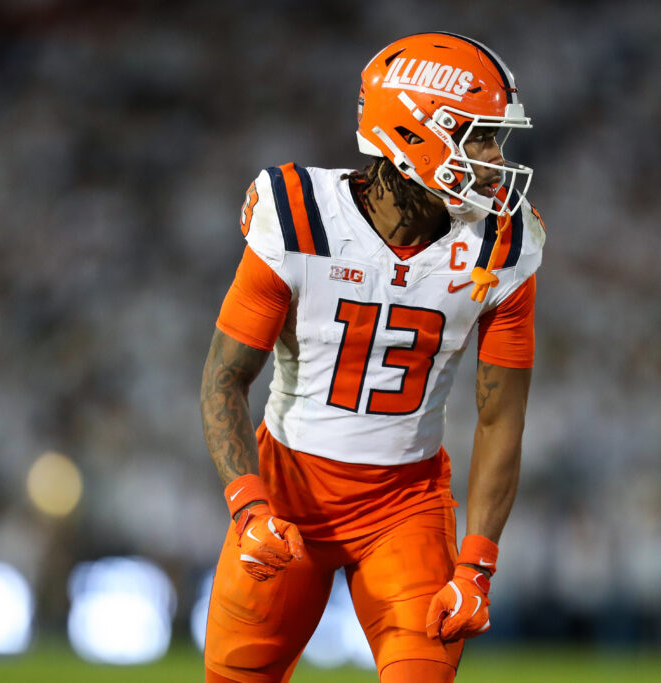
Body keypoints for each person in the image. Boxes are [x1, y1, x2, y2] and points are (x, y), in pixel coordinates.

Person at [199, 32, 545, 683]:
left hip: (405, 504)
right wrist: (249, 507)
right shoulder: (299, 215)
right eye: (478, 136)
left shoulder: (502, 243)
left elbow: (502, 417)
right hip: (288, 490)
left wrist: (476, 562)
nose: (497, 159)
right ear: (414, 133)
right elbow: (224, 376)